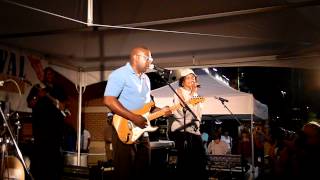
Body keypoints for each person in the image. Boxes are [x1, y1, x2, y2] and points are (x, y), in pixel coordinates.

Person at [103, 46, 171, 179]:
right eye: (148, 58)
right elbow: (109, 100)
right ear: (135, 57)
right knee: (124, 171)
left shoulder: (146, 79)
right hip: (123, 127)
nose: (150, 62)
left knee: (143, 170)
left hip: (141, 129)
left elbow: (148, 107)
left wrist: (161, 111)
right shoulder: (119, 74)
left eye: (151, 59)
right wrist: (133, 117)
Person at [27, 67, 67, 180]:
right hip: (40, 130)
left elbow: (64, 106)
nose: (49, 75)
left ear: (54, 75)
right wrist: (37, 96)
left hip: (55, 130)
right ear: (44, 75)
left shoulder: (59, 89)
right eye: (47, 74)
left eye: (51, 74)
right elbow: (30, 104)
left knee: (54, 157)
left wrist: (56, 102)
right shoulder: (37, 88)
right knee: (41, 157)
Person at [170, 68, 207, 179]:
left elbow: (198, 115)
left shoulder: (197, 95)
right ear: (182, 81)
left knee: (200, 161)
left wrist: (194, 93)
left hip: (194, 131)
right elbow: (182, 112)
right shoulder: (179, 92)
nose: (192, 79)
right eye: (189, 77)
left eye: (193, 77)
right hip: (183, 131)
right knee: (186, 163)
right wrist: (192, 93)